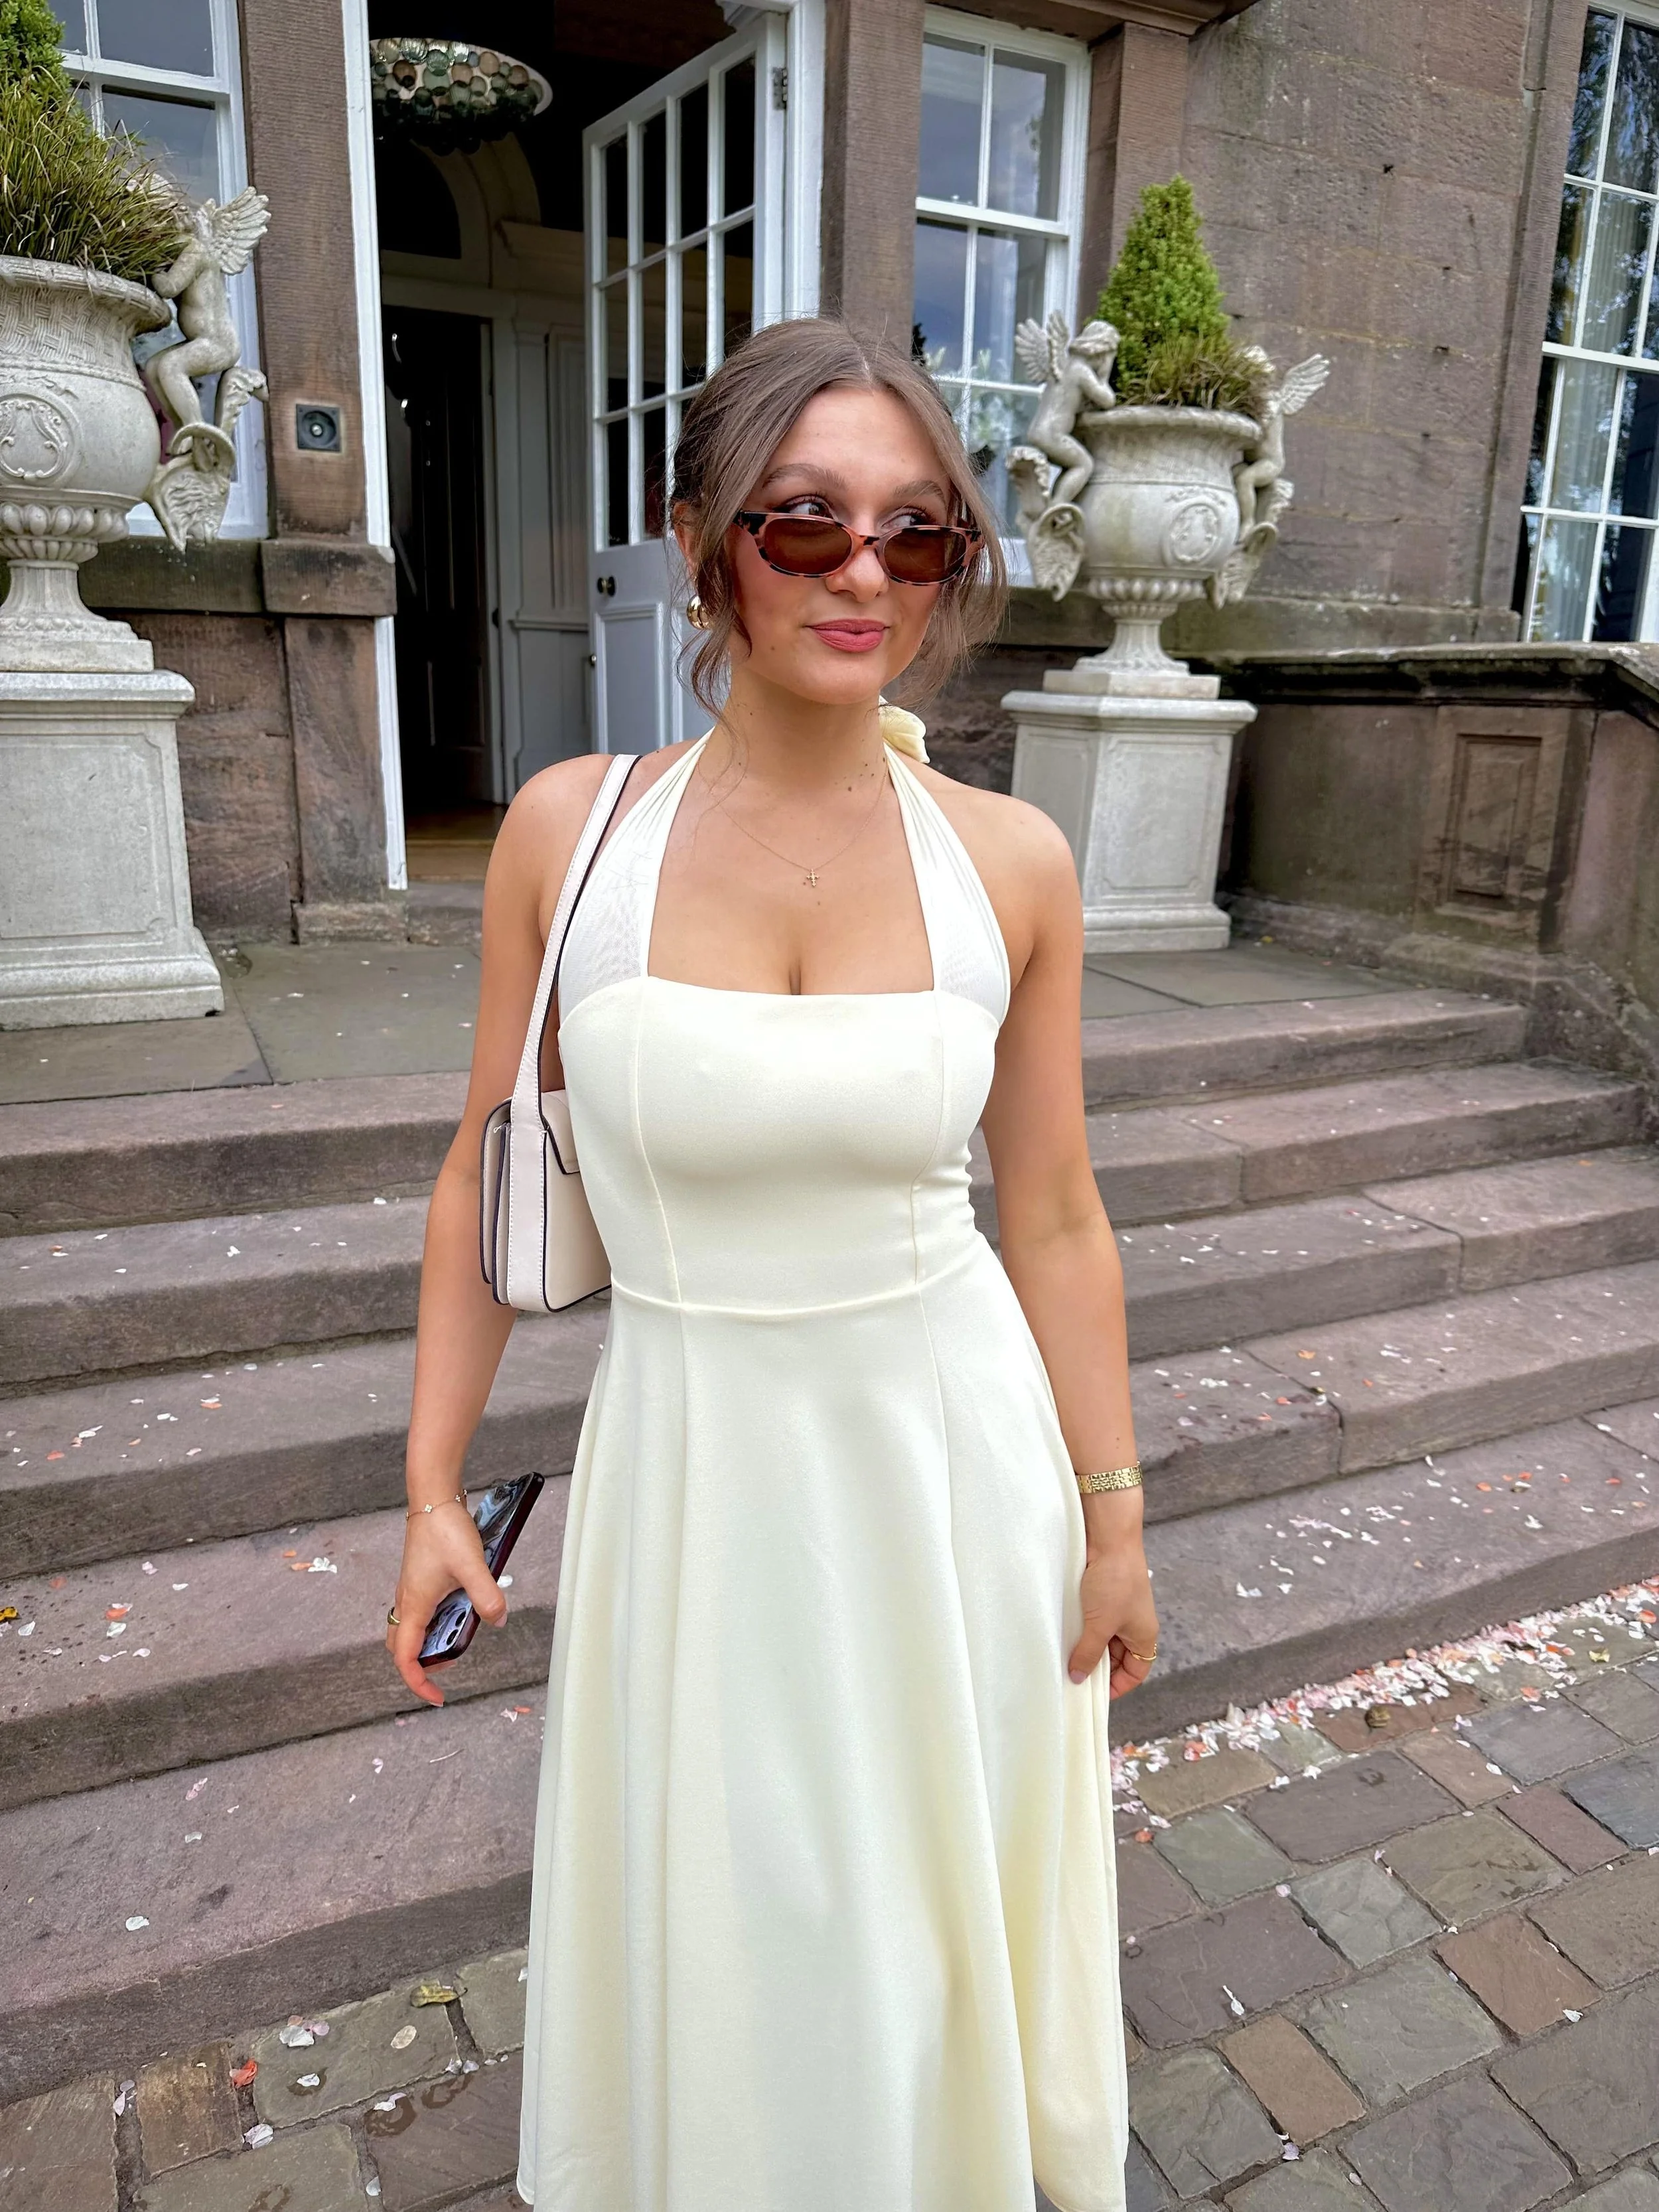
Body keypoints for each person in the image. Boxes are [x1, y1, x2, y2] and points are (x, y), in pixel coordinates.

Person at [386, 316, 1157, 2212]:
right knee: (740, 1911)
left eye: (918, 534)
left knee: (922, 1921)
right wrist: (429, 1484)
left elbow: (1056, 1210)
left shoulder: (1013, 861)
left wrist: (1116, 1513)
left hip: (951, 1474)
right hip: (698, 1469)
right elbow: (487, 1166)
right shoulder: (570, 834)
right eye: (806, 521)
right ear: (703, 540)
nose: (863, 573)